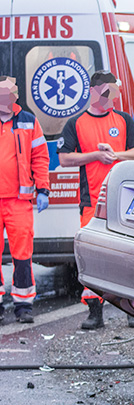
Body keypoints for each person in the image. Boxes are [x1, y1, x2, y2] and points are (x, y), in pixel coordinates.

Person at [57, 70, 134, 330]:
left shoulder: (124, 120)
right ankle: (95, 312)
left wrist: (115, 155)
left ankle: (133, 309)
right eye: (108, 92)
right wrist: (95, 155)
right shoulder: (76, 123)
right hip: (91, 201)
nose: (113, 97)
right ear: (95, 93)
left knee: (127, 254)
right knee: (93, 258)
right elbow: (64, 159)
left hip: (123, 201)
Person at [0, 76, 50, 324]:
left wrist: (43, 189)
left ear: (15, 96)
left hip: (19, 200)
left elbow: (40, 157)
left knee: (22, 254)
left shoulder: (29, 121)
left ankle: (23, 305)